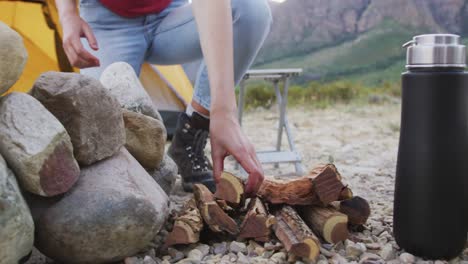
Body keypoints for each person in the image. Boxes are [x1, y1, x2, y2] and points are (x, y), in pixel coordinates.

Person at [55, 0, 272, 195]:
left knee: (251, 10)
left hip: (170, 17)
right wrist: (68, 15)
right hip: (104, 25)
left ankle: (190, 136)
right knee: (102, 136)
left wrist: (223, 112)